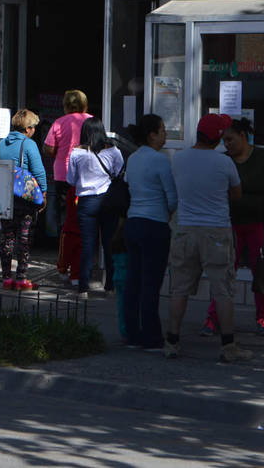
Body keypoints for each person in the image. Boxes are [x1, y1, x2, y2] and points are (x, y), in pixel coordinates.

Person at [164, 113, 251, 362]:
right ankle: (228, 346)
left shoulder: (179, 159)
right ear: (218, 137)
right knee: (222, 289)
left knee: (179, 288)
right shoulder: (224, 162)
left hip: (185, 229)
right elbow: (237, 194)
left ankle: (172, 341)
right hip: (217, 231)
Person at [200, 118, 264, 337]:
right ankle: (213, 318)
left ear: (243, 136)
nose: (227, 144)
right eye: (224, 141)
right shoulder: (224, 160)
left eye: (230, 140)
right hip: (228, 225)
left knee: (261, 271)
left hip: (258, 224)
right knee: (225, 273)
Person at [122, 114, 177, 351]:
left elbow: (129, 188)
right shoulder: (161, 160)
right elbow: (172, 197)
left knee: (133, 280)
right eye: (162, 130)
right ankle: (152, 335)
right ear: (152, 134)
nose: (165, 135)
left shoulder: (133, 158)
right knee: (151, 283)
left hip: (133, 221)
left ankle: (132, 333)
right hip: (155, 224)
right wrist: (167, 213)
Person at [66, 117, 124, 298]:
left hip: (86, 202)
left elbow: (70, 180)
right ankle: (110, 287)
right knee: (108, 244)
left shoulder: (77, 153)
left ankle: (83, 288)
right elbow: (118, 172)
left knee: (88, 245)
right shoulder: (113, 151)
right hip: (108, 201)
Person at [45, 90, 92, 284]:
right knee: (85, 223)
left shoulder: (58, 122)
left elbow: (48, 148)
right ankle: (80, 266)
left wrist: (61, 150)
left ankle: (64, 265)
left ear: (65, 105)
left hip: (63, 176)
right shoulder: (91, 122)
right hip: (87, 178)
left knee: (66, 223)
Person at [0, 109, 47, 291]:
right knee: (24, 238)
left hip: (5, 196)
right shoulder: (29, 144)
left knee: (7, 237)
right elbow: (39, 172)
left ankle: (6, 278)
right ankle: (21, 278)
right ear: (27, 129)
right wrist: (43, 193)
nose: (34, 130)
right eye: (33, 127)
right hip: (24, 199)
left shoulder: (2, 143)